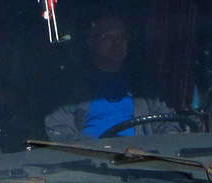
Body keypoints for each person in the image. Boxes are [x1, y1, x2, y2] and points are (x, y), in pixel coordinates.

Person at [44, 10, 178, 141]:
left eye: (122, 36)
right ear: (91, 42)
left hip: (142, 158)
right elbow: (59, 131)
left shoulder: (143, 84)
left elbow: (167, 123)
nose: (117, 42)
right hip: (90, 160)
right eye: (108, 36)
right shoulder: (71, 86)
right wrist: (94, 150)